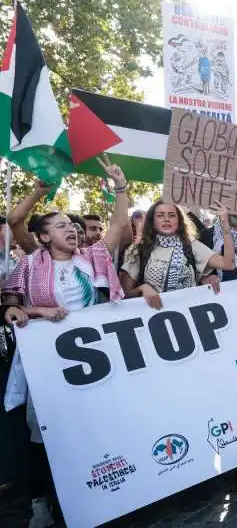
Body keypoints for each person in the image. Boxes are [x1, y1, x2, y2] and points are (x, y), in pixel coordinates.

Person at [2, 157, 130, 528]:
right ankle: (44, 500)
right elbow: (14, 223)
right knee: (48, 432)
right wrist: (33, 312)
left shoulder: (93, 256)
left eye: (72, 225)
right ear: (43, 237)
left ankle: (103, 492)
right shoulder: (33, 261)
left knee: (93, 424)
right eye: (60, 226)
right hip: (48, 363)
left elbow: (120, 224)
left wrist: (120, 187)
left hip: (93, 357)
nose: (71, 230)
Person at [119, 200, 235, 310]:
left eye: (171, 215)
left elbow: (228, 263)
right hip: (153, 321)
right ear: (152, 222)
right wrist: (142, 289)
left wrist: (225, 224)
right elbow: (123, 295)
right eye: (160, 215)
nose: (166, 219)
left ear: (179, 221)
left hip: (189, 317)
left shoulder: (192, 246)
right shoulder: (139, 251)